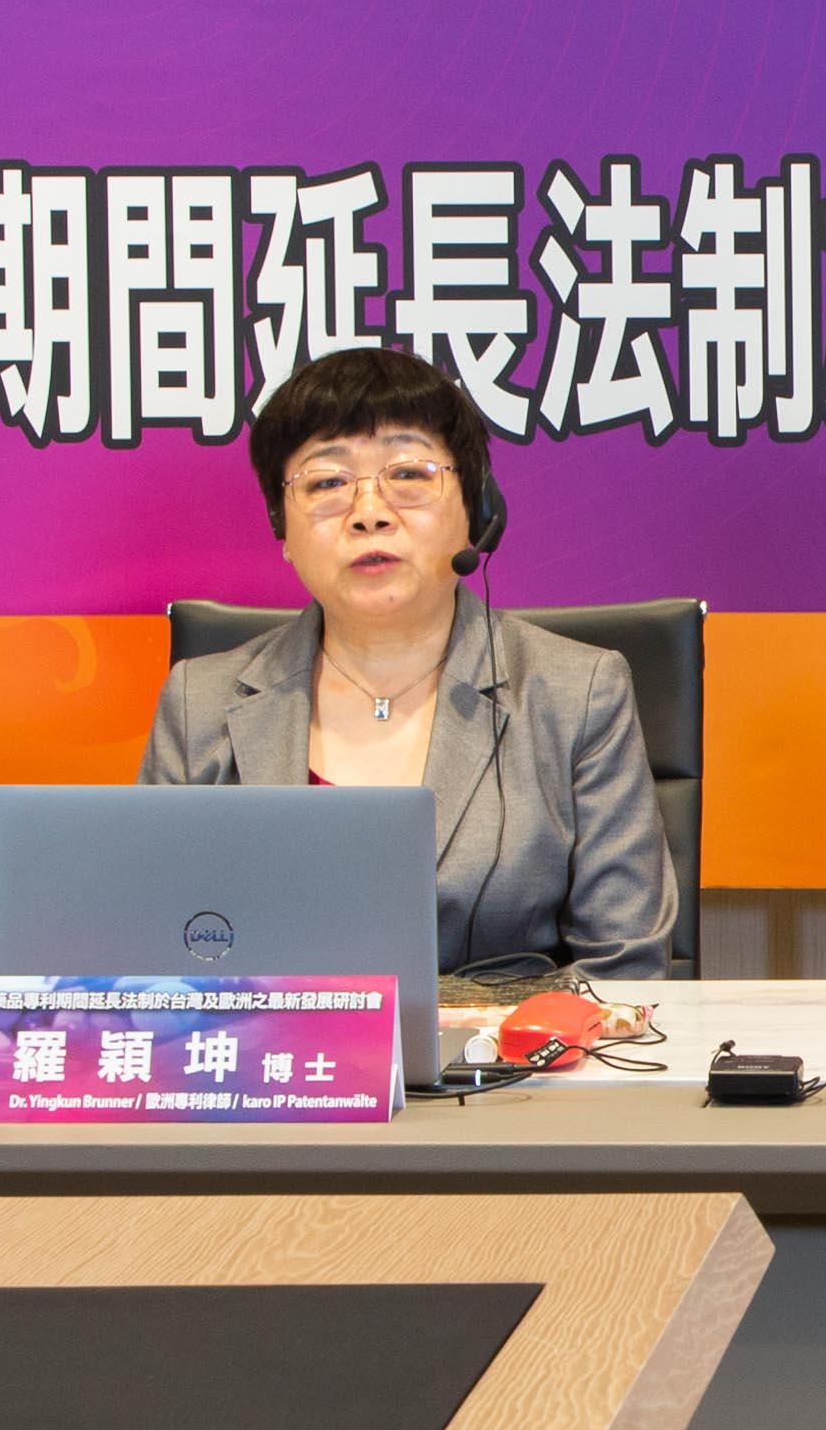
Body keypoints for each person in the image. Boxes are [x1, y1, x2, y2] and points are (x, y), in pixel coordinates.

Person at [143, 344, 674, 981]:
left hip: (504, 1046)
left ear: (477, 511)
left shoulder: (576, 694)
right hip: (265, 1046)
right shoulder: (198, 703)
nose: (369, 514)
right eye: (328, 482)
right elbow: (152, 953)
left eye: (409, 475)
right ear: (282, 529)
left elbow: (623, 967)